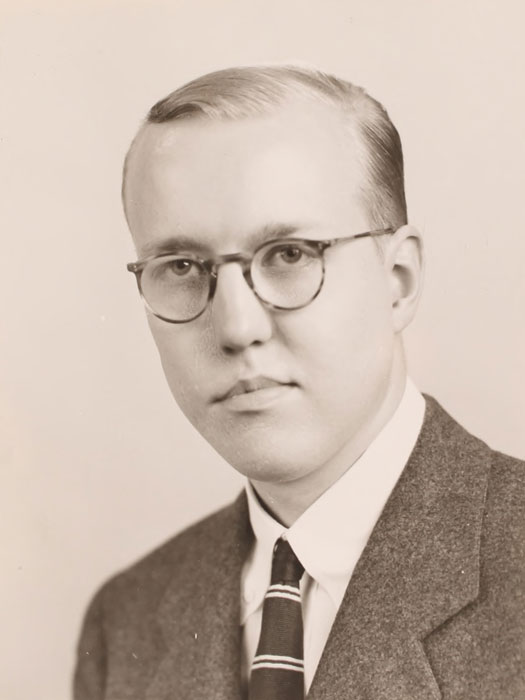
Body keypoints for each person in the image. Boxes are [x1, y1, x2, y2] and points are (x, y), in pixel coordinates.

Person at [73, 65, 525, 700]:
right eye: (180, 267)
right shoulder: (125, 622)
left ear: (398, 280)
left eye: (289, 254)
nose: (236, 327)